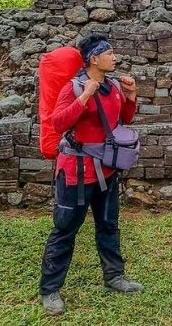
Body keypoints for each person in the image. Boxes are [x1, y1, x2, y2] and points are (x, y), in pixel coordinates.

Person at [38, 33, 143, 316]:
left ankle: (114, 277)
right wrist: (85, 95)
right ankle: (50, 290)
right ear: (93, 59)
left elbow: (122, 121)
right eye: (109, 53)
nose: (115, 57)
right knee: (64, 230)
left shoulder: (113, 88)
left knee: (108, 225)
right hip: (76, 173)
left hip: (107, 171)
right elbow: (59, 122)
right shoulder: (72, 88)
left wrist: (131, 97)